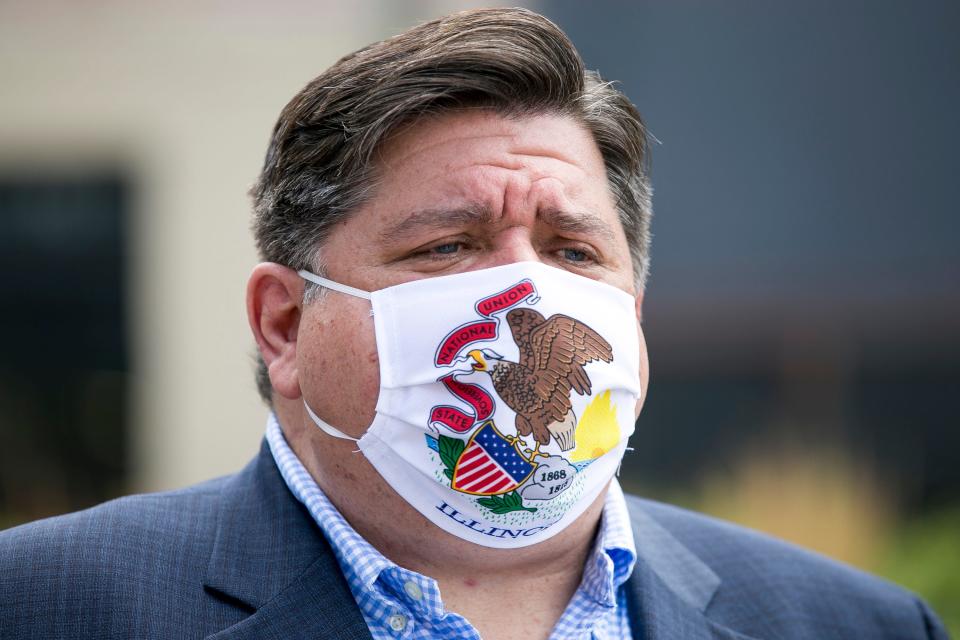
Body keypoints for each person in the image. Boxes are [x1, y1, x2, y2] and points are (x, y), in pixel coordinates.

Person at [0, 8, 947, 640]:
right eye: (450, 246)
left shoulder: (849, 624)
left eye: (574, 252)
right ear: (285, 326)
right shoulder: (44, 606)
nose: (525, 293)